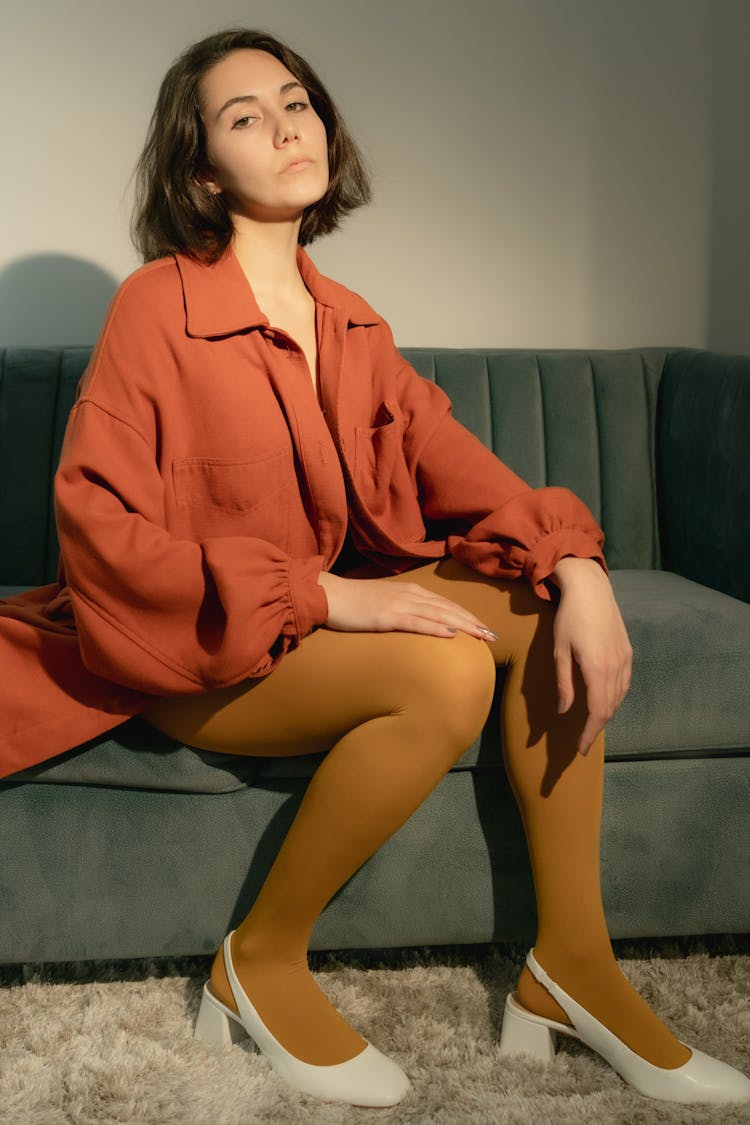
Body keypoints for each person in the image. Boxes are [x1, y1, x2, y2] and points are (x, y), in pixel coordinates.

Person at [1, 27, 748, 1110]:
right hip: (188, 653)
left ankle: (570, 969)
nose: (284, 125)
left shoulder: (353, 324)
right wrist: (327, 594)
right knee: (445, 669)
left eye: (296, 101)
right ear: (203, 170)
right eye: (243, 115)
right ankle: (258, 960)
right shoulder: (156, 307)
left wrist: (581, 569)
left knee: (535, 608)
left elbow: (470, 475)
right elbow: (97, 530)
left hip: (297, 638)